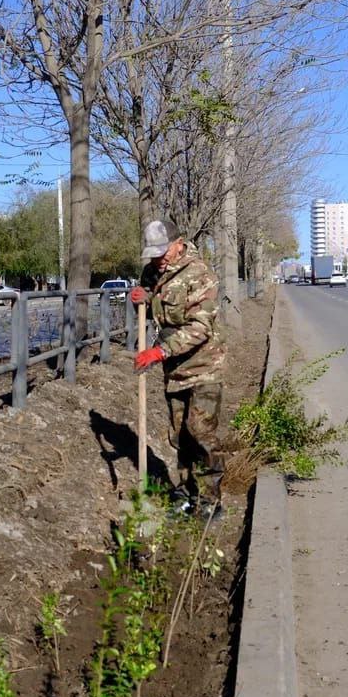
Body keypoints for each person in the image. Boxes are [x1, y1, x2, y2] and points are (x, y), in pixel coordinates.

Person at [129, 218, 228, 521]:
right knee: (180, 435)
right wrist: (140, 300)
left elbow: (201, 327)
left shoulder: (200, 274)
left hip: (204, 365)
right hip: (173, 369)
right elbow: (151, 305)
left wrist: (160, 351)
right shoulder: (153, 272)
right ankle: (186, 492)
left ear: (178, 242)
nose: (158, 258)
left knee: (200, 431)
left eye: (163, 251)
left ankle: (211, 499)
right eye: (153, 253)